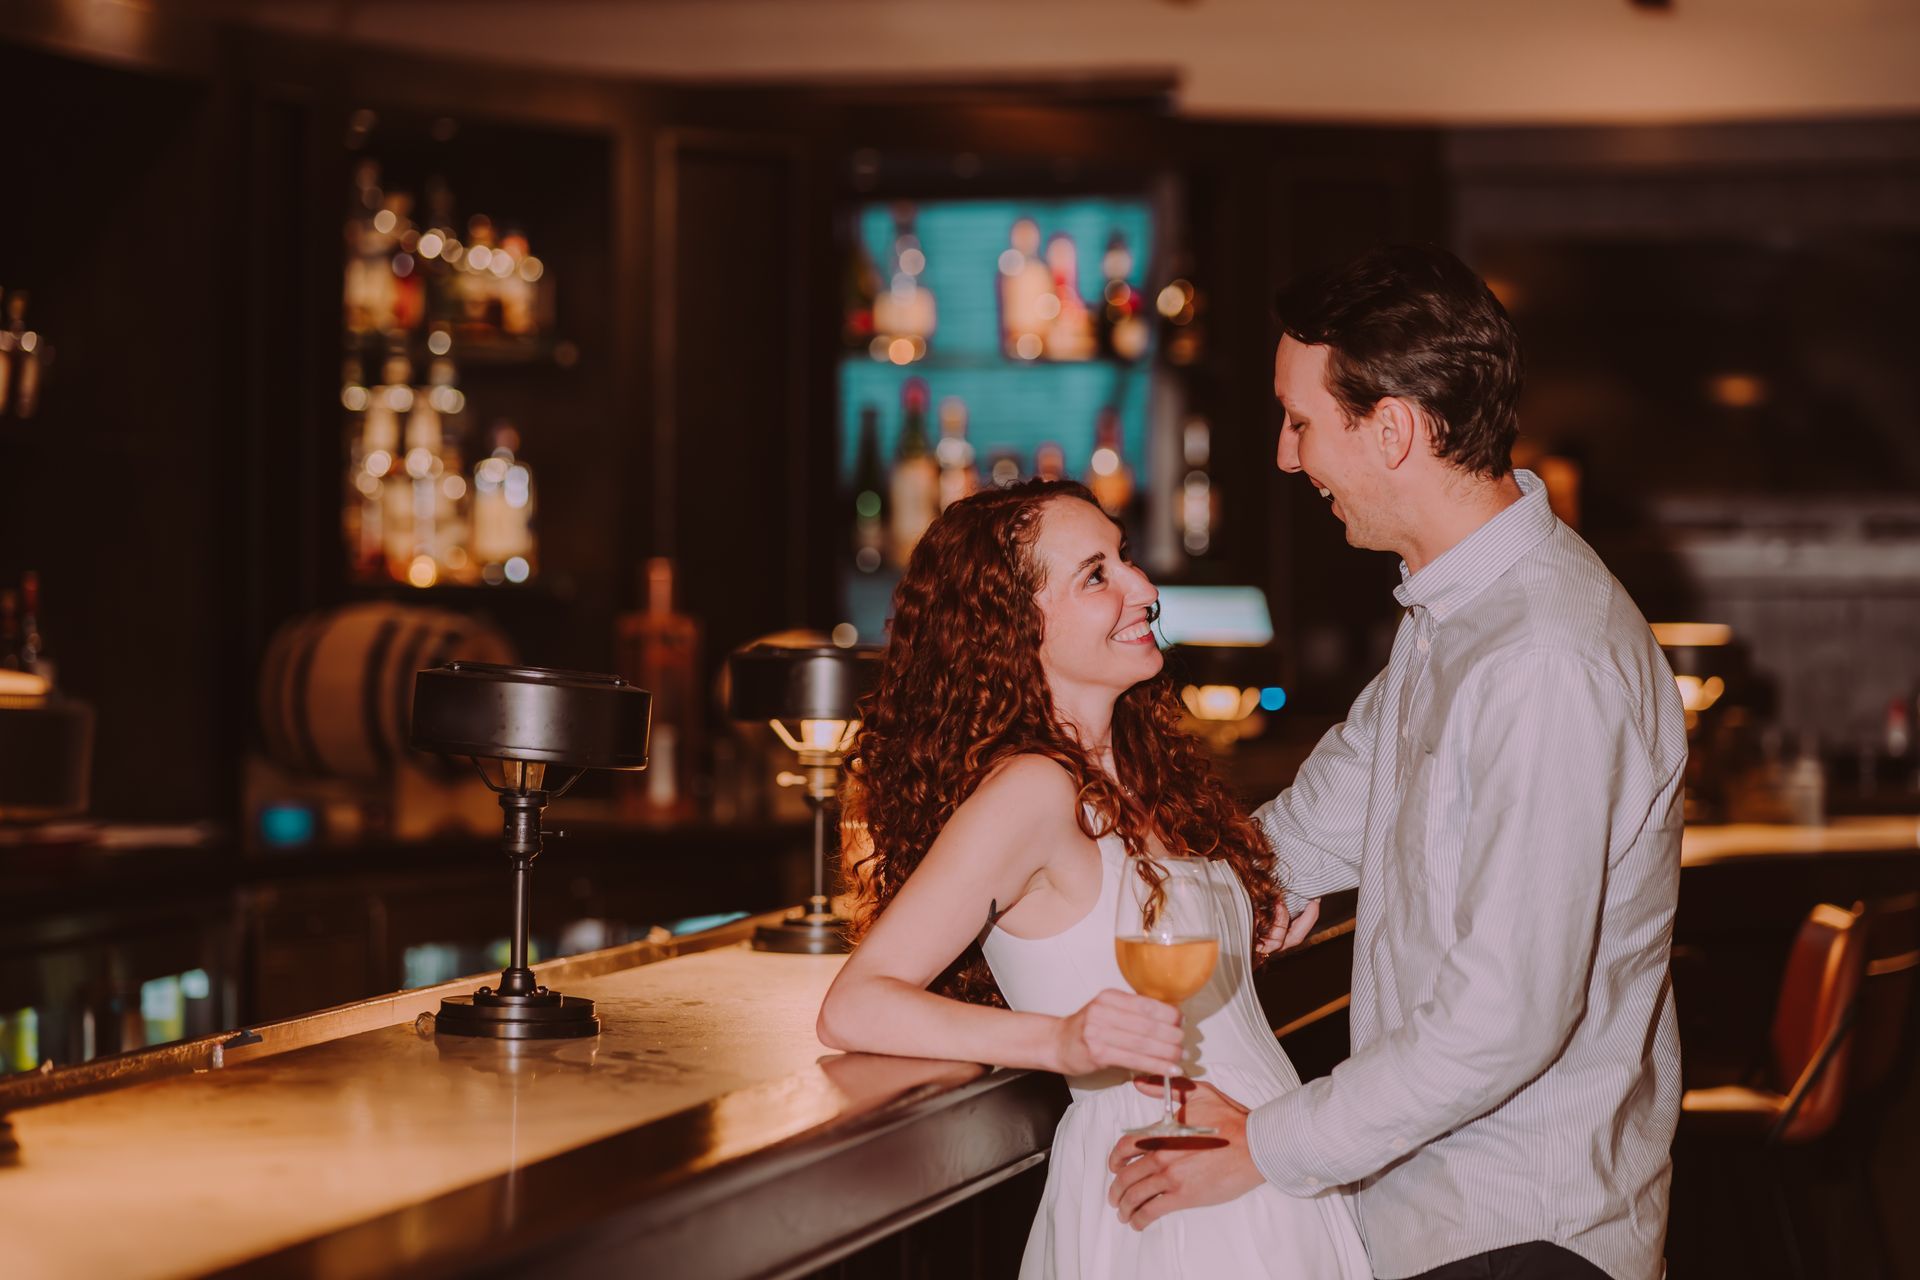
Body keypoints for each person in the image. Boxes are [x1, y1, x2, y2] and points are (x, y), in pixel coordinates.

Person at [1105, 244, 1688, 1280]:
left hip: (1518, 1232)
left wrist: (1265, 1145)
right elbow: (1307, 828)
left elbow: (1504, 1018)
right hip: (1443, 1218)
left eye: (1300, 422)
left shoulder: (1541, 657)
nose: (1287, 458)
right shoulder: (1455, 611)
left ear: (1393, 429)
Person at [816, 478, 1370, 1279]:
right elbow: (855, 1003)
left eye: (1125, 558)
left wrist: (1248, 926)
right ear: (1016, 627)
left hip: (1259, 1156)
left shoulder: (1142, 774)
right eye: (1096, 576)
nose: (1143, 589)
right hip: (1163, 1185)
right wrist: (1058, 1040)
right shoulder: (1033, 791)